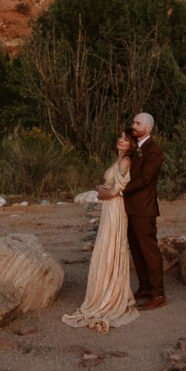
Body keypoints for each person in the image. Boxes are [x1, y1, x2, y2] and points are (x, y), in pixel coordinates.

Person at [62, 130, 139, 333]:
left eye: (125, 139)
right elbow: (110, 186)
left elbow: (117, 191)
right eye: (120, 137)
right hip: (109, 209)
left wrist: (104, 194)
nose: (120, 140)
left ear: (131, 144)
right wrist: (102, 188)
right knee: (105, 247)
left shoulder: (126, 161)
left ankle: (110, 296)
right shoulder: (119, 159)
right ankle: (103, 291)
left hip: (115, 209)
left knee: (110, 246)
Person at [105, 112, 166, 311]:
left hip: (144, 209)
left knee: (149, 251)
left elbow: (146, 180)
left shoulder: (154, 152)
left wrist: (120, 190)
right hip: (129, 208)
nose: (134, 125)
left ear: (148, 128)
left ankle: (158, 293)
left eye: (138, 123)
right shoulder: (134, 149)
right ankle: (145, 287)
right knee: (137, 251)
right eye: (133, 122)